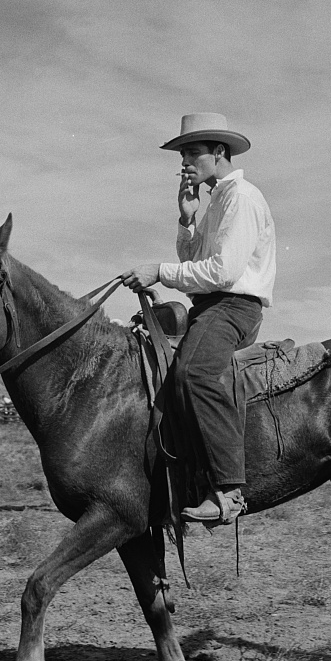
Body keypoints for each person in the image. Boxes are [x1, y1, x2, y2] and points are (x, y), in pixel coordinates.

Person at [121, 113, 276, 525]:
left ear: (219, 152)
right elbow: (196, 262)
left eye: (192, 152)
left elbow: (222, 273)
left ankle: (228, 491)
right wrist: (187, 218)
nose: (184, 163)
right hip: (210, 306)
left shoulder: (240, 197)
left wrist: (159, 270)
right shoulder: (215, 203)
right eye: (182, 155)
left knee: (194, 372)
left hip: (233, 306)